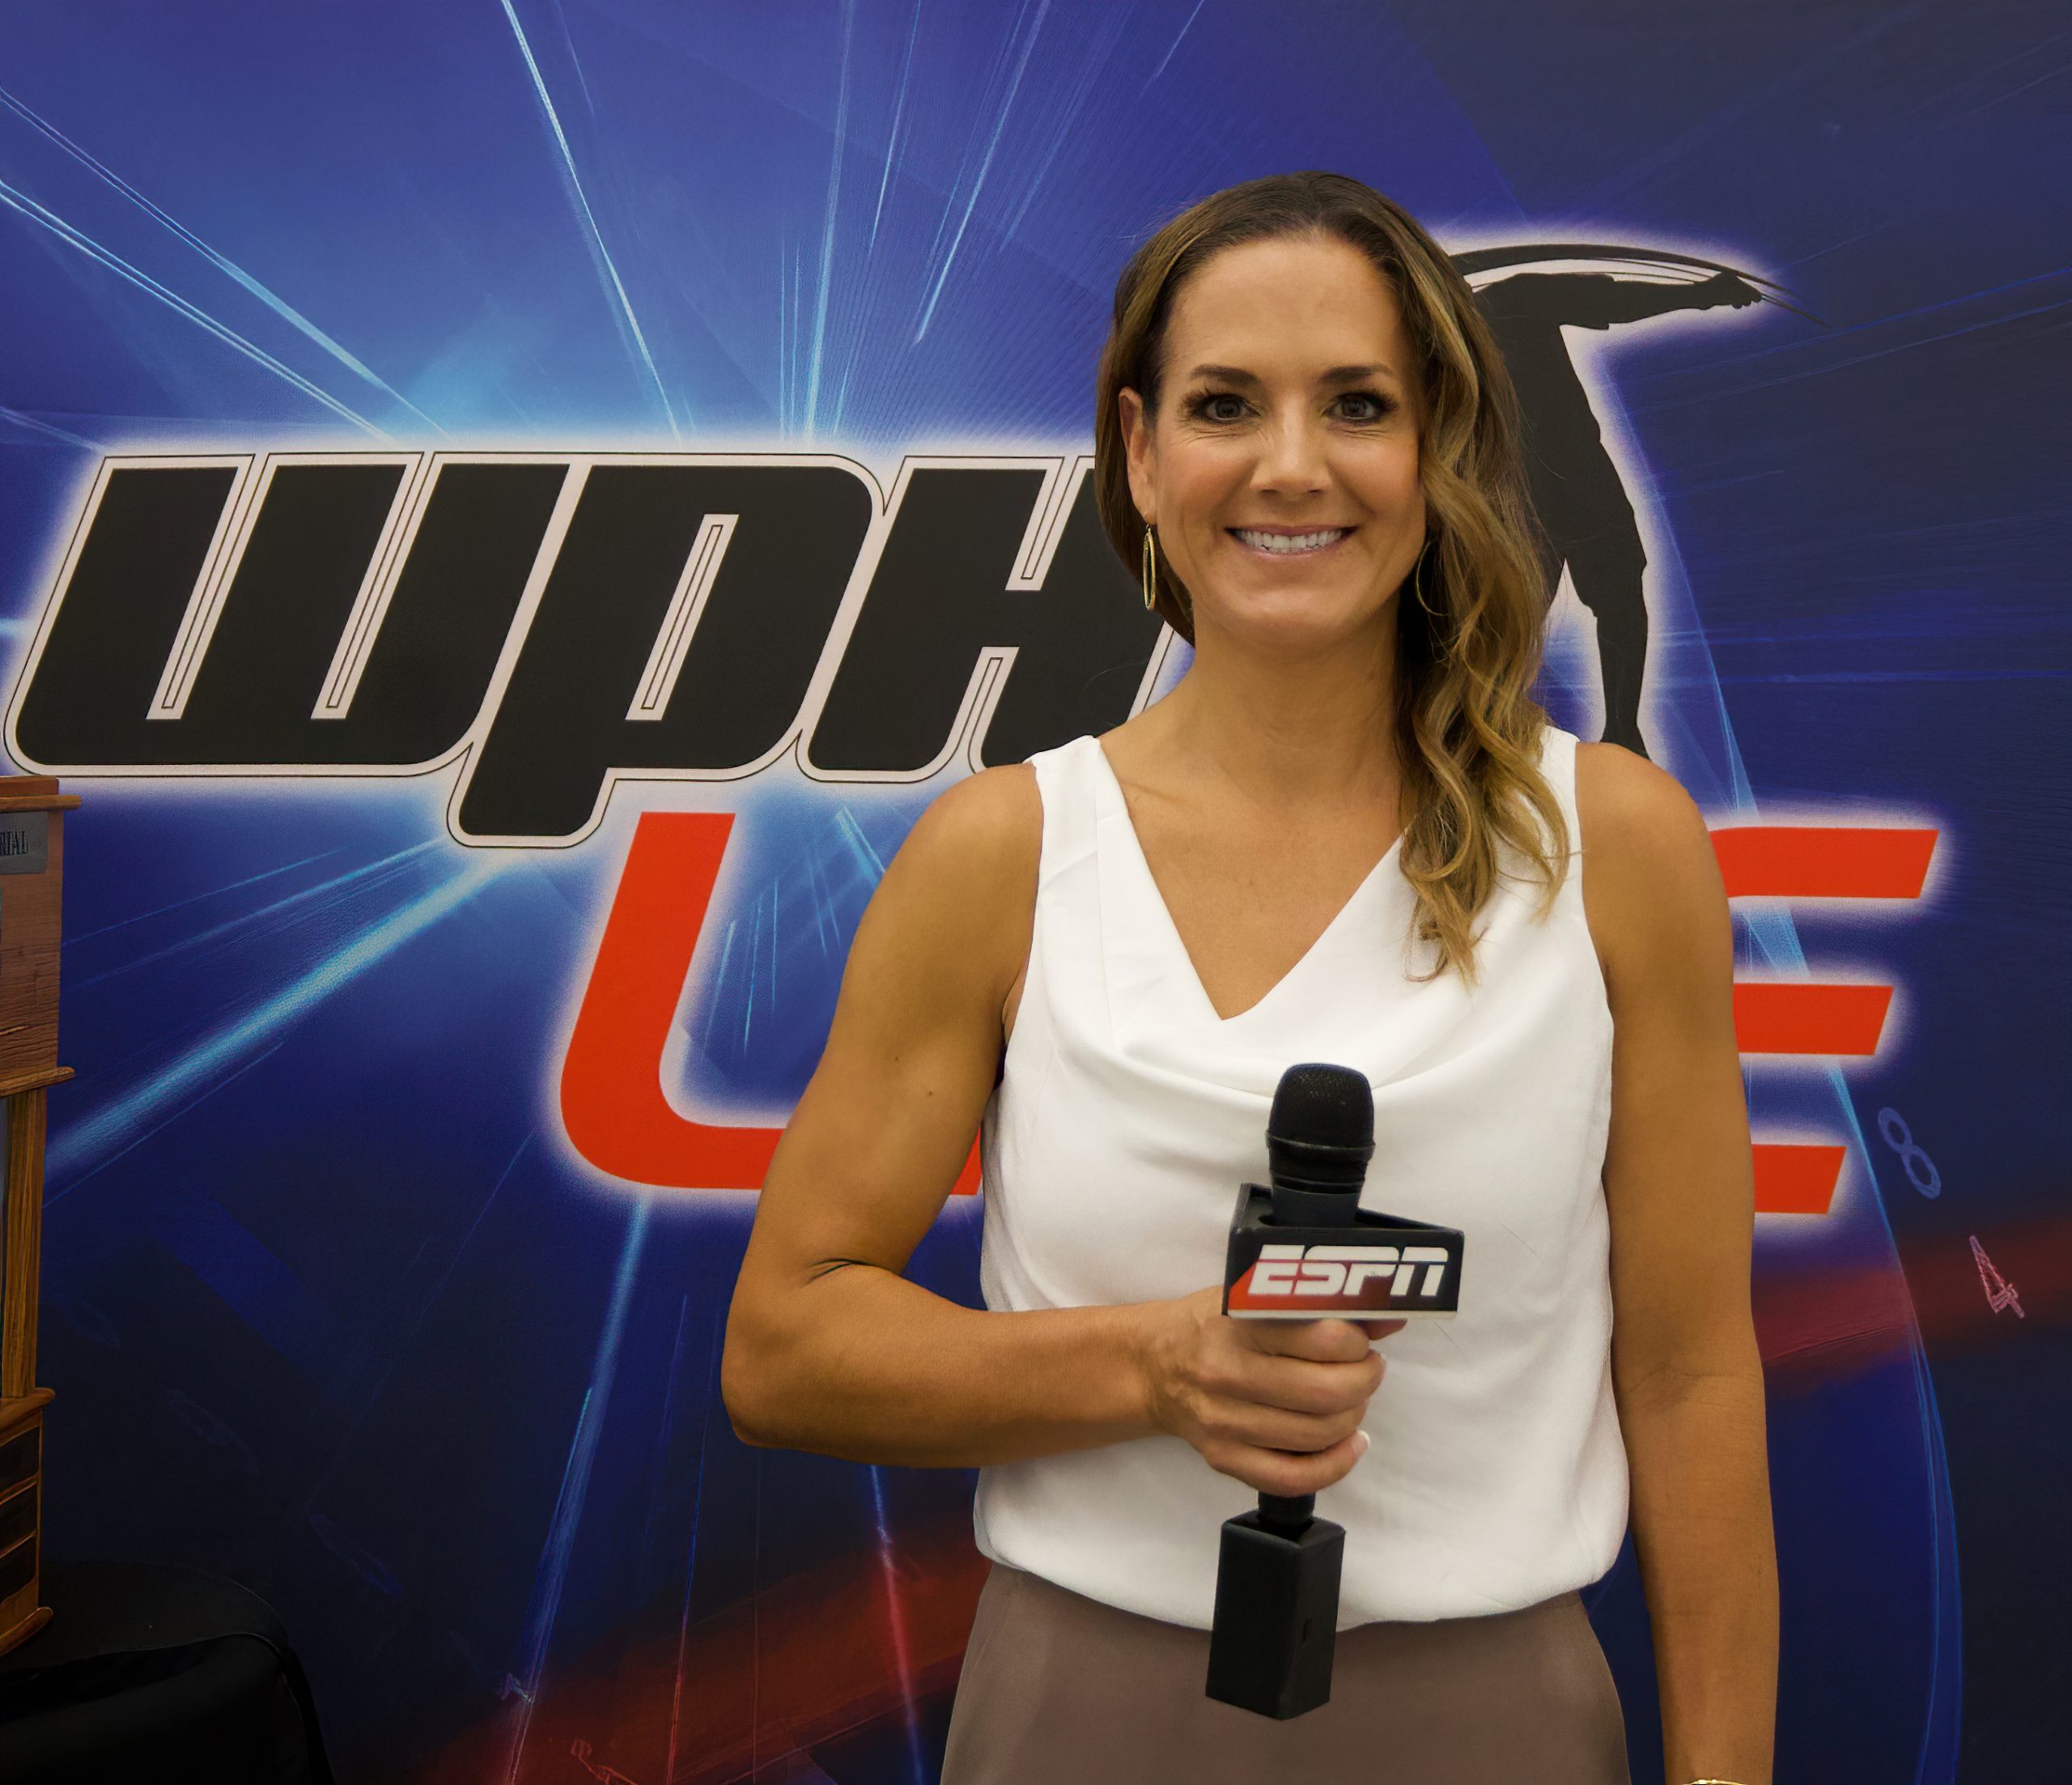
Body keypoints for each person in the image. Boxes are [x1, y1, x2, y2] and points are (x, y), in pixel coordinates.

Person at [721, 171, 1777, 1785]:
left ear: (1439, 447)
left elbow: (1691, 1373)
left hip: (1496, 1719)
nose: (1292, 465)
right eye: (1224, 404)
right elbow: (783, 1347)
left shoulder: (1616, 844)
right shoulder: (1005, 852)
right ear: (1140, 453)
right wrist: (1157, 1365)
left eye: (1358, 403)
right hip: (1076, 1714)